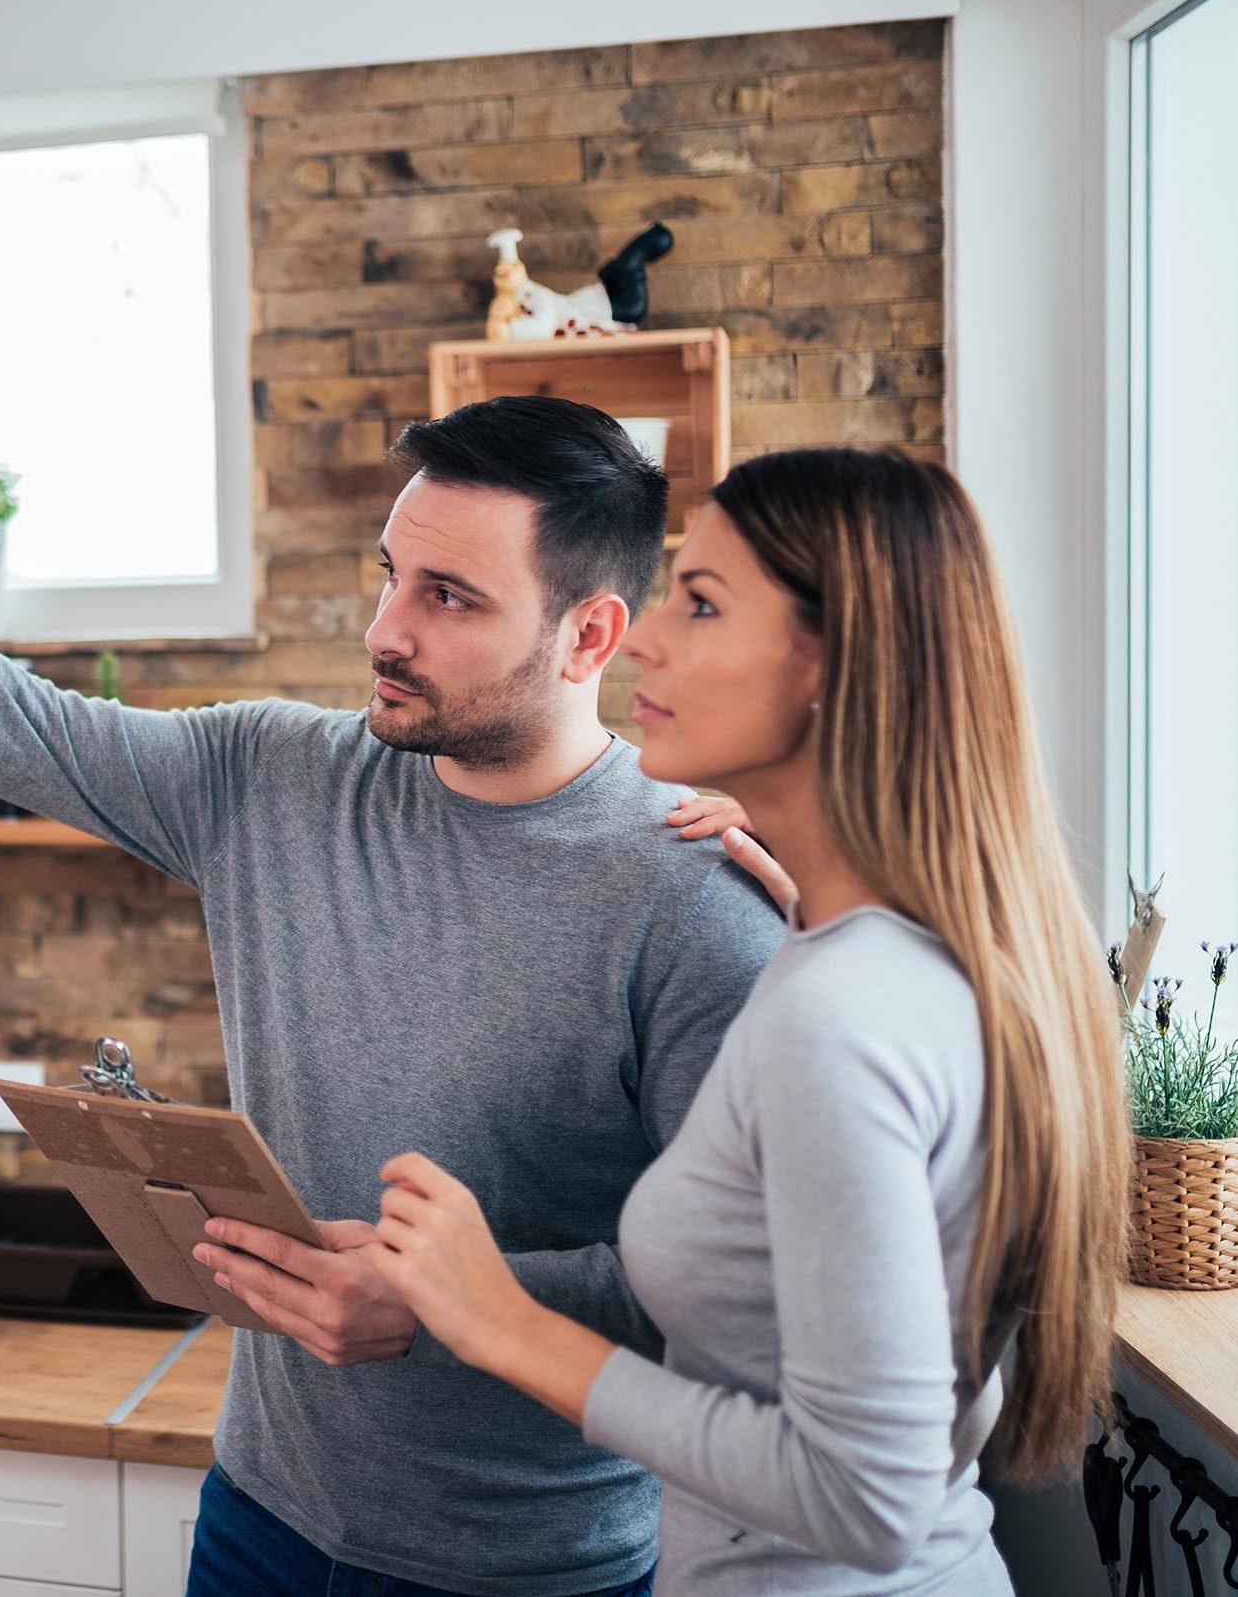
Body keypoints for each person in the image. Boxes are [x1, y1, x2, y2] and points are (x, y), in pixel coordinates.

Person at [0, 335, 786, 1596]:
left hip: (531, 1570)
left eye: (448, 598)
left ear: (589, 635)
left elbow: (738, 1285)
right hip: (261, 1521)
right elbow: (7, 719)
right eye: (390, 575)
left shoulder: (694, 899)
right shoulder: (270, 777)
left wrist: (449, 1300)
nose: (381, 630)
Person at [368, 448, 1126, 1592]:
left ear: (835, 665)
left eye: (703, 604)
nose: (646, 637)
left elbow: (865, 1496)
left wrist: (499, 1320)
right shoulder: (900, 956)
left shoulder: (841, 1014)